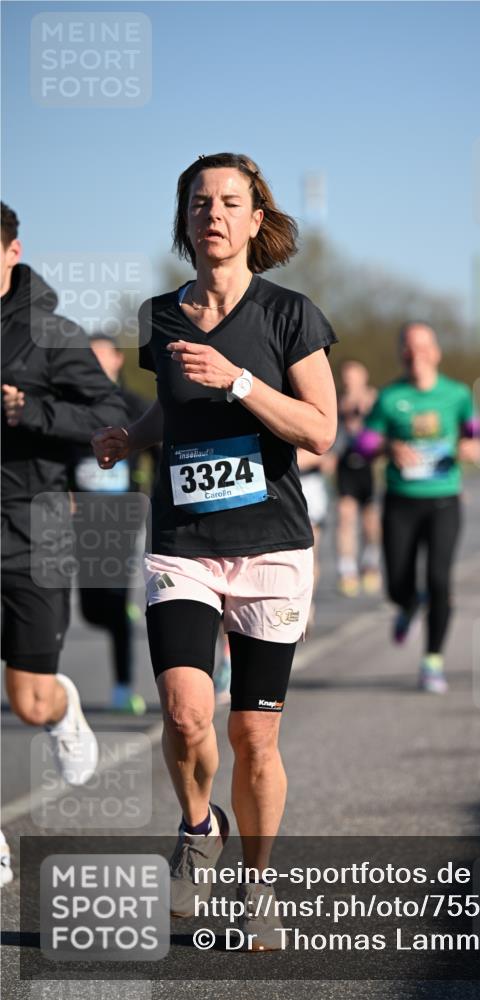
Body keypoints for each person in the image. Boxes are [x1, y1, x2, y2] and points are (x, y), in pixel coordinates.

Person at [91, 153, 337, 947]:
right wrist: (133, 433)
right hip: (184, 544)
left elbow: (320, 431)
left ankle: (258, 888)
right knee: (186, 713)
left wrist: (239, 382)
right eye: (200, 202)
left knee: (253, 737)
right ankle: (199, 828)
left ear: (256, 219)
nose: (215, 214)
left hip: (270, 544)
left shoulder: (289, 315)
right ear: (184, 218)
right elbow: (176, 405)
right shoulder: (159, 315)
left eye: (232, 202)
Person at [1, 203, 127, 884]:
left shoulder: (50, 335)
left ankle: (62, 706)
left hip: (35, 527)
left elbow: (111, 415)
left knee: (28, 701)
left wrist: (32, 410)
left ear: (11, 252)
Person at [354, 323, 480, 694]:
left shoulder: (457, 394)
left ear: (436, 351)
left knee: (440, 580)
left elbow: (475, 434)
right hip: (400, 500)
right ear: (401, 354)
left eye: (423, 346)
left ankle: (433, 661)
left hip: (444, 499)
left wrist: (472, 446)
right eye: (408, 347)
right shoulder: (390, 397)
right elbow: (364, 444)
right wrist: (389, 447)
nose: (416, 353)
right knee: (396, 584)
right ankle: (408, 606)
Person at [70, 333, 159, 714]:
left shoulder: (134, 406)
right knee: (91, 609)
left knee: (115, 593)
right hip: (84, 515)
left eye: (101, 354)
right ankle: (116, 610)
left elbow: (160, 448)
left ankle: (123, 685)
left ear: (117, 361)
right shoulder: (72, 406)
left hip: (123, 514)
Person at [334, 360, 381, 596]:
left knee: (370, 521)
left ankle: (370, 561)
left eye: (353, 376)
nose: (349, 381)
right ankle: (347, 569)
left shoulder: (374, 398)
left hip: (368, 465)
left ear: (363, 377)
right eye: (346, 377)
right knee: (345, 516)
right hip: (346, 464)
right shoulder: (340, 401)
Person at [297, 447, 336, 628]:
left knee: (310, 552)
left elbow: (326, 458)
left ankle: (306, 605)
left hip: (308, 486)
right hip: (277, 484)